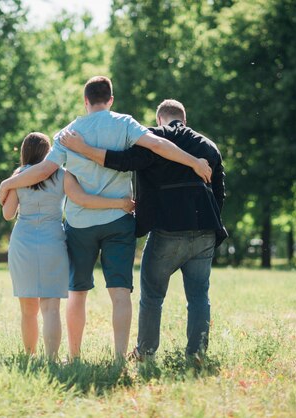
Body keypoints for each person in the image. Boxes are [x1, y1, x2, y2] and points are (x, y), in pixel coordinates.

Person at [0, 76, 212, 360]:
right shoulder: (125, 123)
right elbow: (159, 145)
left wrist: (7, 184)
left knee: (77, 292)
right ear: (111, 99)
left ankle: (74, 356)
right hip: (119, 219)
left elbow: (43, 170)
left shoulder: (68, 133)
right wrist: (194, 161)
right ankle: (120, 357)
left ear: (85, 101)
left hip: (80, 225)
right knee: (120, 292)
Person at [60, 99, 227, 361]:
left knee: (152, 296)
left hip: (166, 229)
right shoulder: (209, 146)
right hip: (205, 229)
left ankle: (146, 352)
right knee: (198, 297)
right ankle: (197, 354)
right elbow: (219, 194)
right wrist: (212, 230)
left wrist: (82, 148)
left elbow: (121, 161)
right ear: (185, 119)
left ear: (159, 118)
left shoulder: (153, 138)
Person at [2, 132, 134, 360]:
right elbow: (83, 199)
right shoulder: (62, 175)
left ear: (24, 153)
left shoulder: (17, 177)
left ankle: (30, 356)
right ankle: (52, 359)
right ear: (47, 153)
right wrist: (119, 203)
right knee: (50, 308)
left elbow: (7, 214)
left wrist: (4, 190)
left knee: (28, 310)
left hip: (23, 243)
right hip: (53, 241)